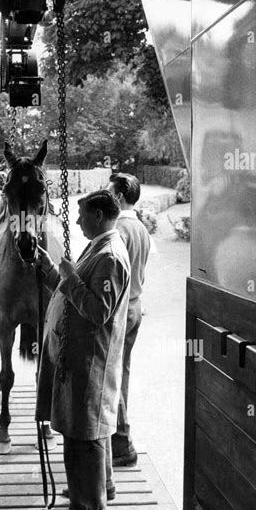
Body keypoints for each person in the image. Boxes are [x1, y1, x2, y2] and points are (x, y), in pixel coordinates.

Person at [36, 190, 131, 510]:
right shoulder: (97, 248)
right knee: (90, 428)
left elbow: (96, 311)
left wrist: (68, 276)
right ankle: (98, 487)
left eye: (82, 215)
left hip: (90, 360)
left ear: (99, 216)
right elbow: (71, 287)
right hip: (79, 356)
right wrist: (50, 267)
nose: (76, 222)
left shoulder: (110, 256)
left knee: (83, 433)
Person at [107, 173, 151, 467]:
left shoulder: (119, 230)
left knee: (112, 376)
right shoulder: (141, 228)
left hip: (121, 309)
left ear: (120, 197)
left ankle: (121, 441)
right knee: (123, 372)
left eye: (110, 192)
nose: (107, 195)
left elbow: (113, 276)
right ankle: (120, 438)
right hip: (136, 305)